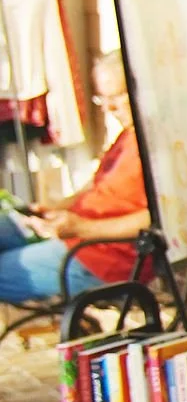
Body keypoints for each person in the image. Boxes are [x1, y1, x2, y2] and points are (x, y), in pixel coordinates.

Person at [0, 50, 149, 304]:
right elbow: (97, 188)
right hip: (75, 234)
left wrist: (81, 227)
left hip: (101, 256)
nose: (110, 108)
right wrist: (57, 208)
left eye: (118, 96)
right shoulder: (129, 134)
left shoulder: (158, 148)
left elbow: (155, 219)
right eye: (103, 98)